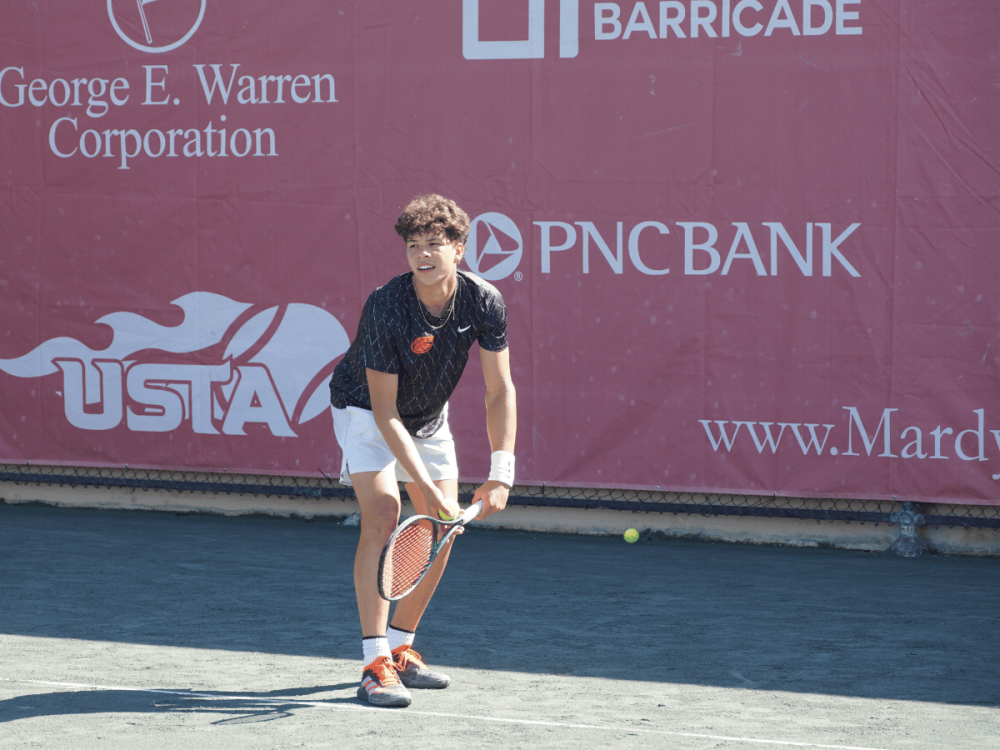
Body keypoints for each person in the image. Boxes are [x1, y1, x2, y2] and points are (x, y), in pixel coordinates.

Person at [329, 194, 517, 708]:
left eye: (435, 244)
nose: (422, 254)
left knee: (443, 526)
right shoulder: (387, 304)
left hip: (429, 416)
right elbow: (385, 413)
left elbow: (500, 390)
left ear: (459, 249)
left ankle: (401, 649)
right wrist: (430, 486)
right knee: (385, 514)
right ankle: (372, 664)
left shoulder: (484, 301)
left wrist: (501, 472)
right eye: (414, 245)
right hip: (365, 411)